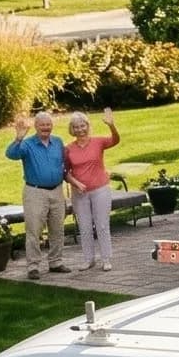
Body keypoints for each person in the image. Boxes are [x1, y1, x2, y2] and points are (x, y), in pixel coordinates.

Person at [5, 113, 69, 279]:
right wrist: (18, 138)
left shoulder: (58, 142)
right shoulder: (27, 144)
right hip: (35, 192)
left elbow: (65, 162)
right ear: (36, 126)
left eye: (48, 124)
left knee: (58, 229)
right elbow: (11, 154)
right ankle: (33, 267)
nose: (46, 127)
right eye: (42, 125)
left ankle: (56, 262)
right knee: (34, 230)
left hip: (56, 190)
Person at [63, 110, 120, 273]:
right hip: (79, 193)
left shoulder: (98, 142)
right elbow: (65, 171)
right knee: (85, 227)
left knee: (102, 225)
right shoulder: (68, 149)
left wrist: (111, 126)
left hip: (100, 189)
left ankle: (106, 259)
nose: (80, 129)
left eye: (83, 125)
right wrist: (76, 183)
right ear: (72, 129)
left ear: (88, 126)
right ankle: (88, 259)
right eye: (76, 127)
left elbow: (115, 140)